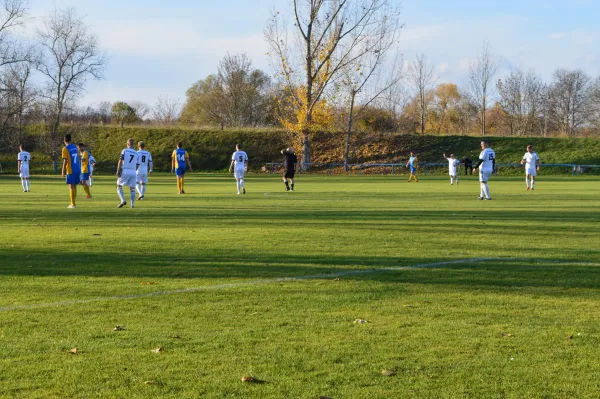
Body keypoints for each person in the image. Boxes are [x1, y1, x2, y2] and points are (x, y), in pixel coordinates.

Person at [116, 138, 140, 208]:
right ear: (133, 144)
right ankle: (132, 204)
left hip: (125, 170)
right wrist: (134, 170)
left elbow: (120, 161)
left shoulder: (124, 150)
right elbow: (138, 164)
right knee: (132, 188)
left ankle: (123, 200)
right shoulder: (136, 153)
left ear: (128, 144)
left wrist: (118, 170)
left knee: (119, 185)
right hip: (133, 171)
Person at [61, 134, 81, 208]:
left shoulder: (65, 149)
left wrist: (63, 170)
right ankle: (73, 203)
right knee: (74, 186)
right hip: (77, 168)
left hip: (71, 169)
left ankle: (73, 204)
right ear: (71, 140)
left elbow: (65, 160)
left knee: (71, 186)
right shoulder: (75, 147)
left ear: (64, 140)